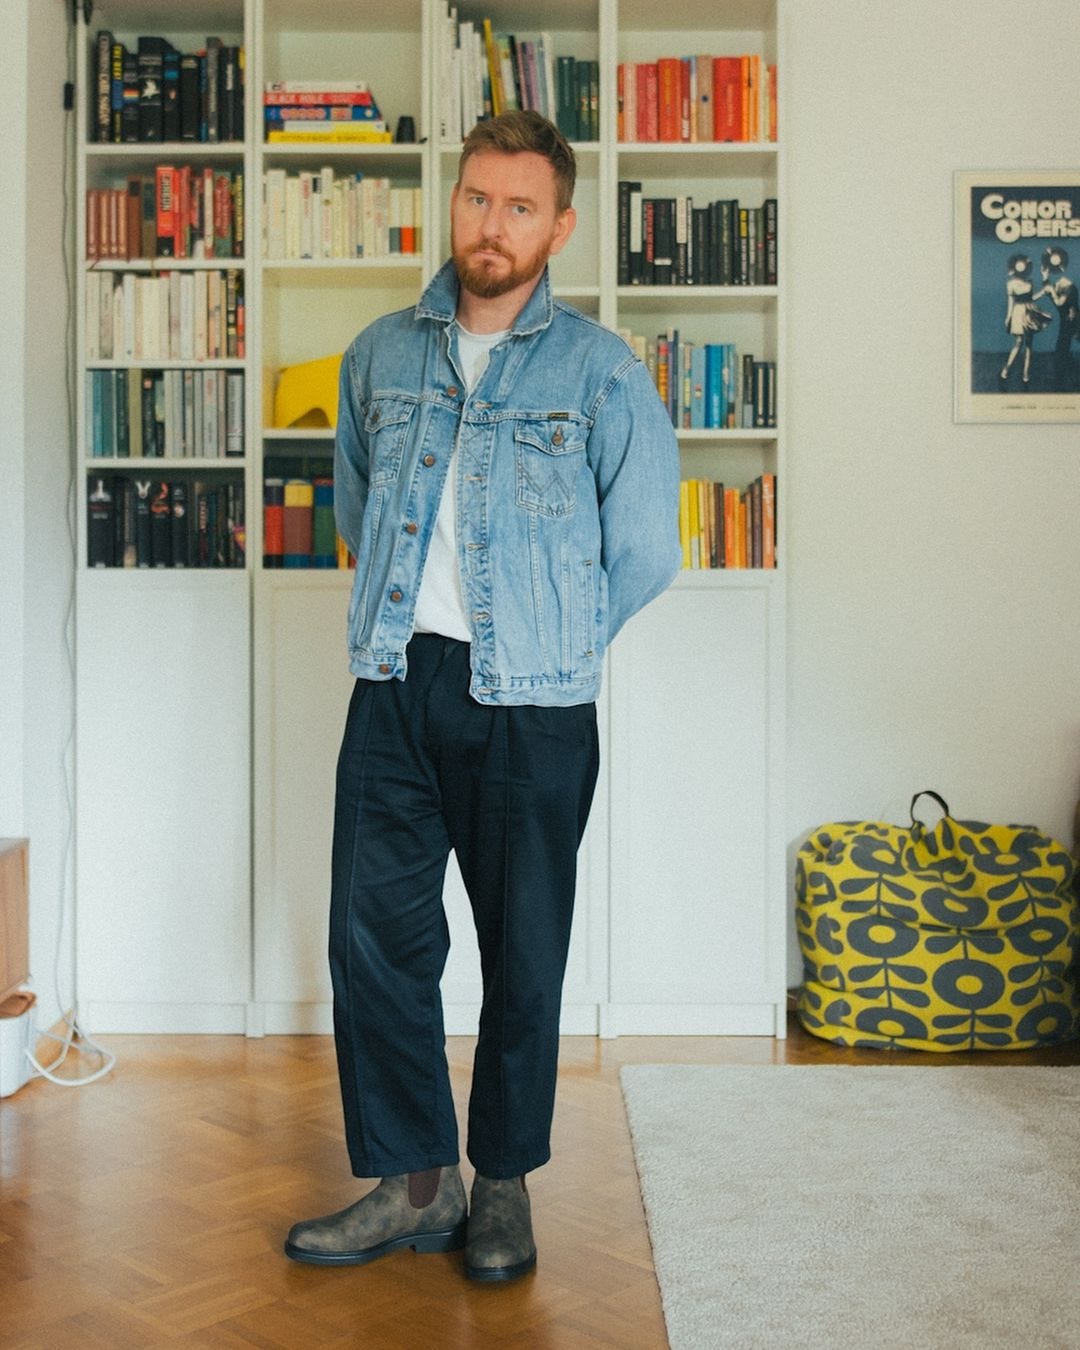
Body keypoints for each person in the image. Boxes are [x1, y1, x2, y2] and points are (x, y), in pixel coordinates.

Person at [284, 110, 681, 1284]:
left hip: (537, 703)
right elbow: (359, 514)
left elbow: (646, 550)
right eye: (475, 199)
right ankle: (416, 1182)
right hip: (399, 681)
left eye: (519, 206)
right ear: (450, 206)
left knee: (524, 955)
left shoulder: (602, 371)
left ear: (558, 226)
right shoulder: (377, 355)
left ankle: (500, 1183)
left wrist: (557, 645)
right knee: (375, 943)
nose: (491, 225)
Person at [1000, 251, 1051, 387]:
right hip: (1017, 313)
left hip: (1030, 312)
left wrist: (1042, 290)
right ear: (1015, 266)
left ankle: (1025, 374)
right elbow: (1010, 301)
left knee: (1029, 345)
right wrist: (1008, 317)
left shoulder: (1030, 281)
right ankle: (1006, 369)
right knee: (1018, 343)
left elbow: (1032, 298)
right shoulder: (1010, 283)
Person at [1033, 245, 1079, 390]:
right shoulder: (1056, 284)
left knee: (1062, 348)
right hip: (1066, 320)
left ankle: (1064, 378)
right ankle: (1064, 376)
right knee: (1062, 348)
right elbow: (1038, 294)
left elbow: (1059, 302)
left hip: (1074, 320)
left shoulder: (1068, 286)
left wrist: (1050, 289)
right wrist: (1044, 277)